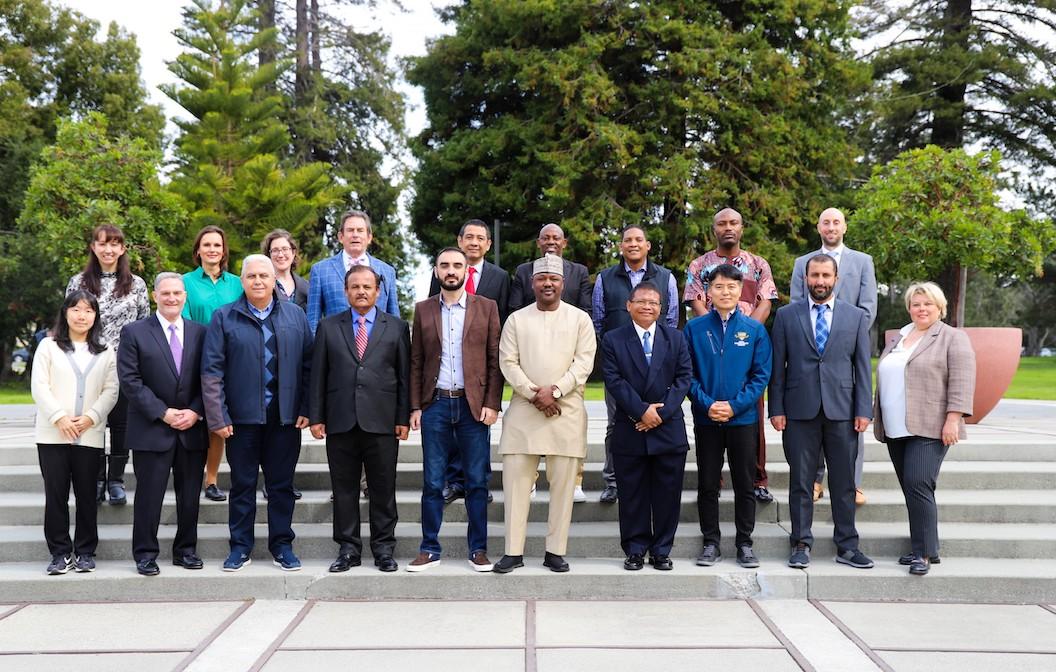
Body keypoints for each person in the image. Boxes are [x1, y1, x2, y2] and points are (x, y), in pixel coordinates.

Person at [201, 255, 313, 572]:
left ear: (274, 278)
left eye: (264, 275)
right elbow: (212, 372)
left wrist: (306, 408)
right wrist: (218, 416)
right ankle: (240, 547)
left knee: (281, 487)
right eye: (251, 276)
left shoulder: (295, 315)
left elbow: (309, 366)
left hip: (284, 419)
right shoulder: (224, 317)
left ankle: (282, 546)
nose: (259, 281)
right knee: (242, 486)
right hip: (240, 421)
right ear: (242, 280)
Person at [493, 255, 596, 574]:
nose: (547, 283)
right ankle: (513, 551)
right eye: (541, 279)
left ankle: (555, 551)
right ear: (532, 283)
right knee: (515, 485)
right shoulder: (516, 320)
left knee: (564, 487)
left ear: (563, 283)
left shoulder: (580, 319)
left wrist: (555, 391)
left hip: (565, 411)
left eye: (553, 278)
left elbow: (584, 364)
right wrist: (534, 392)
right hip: (525, 411)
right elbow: (507, 362)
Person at [769, 254, 873, 570]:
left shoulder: (855, 318)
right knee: (801, 482)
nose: (820, 281)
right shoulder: (787, 316)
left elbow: (863, 368)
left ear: (836, 279)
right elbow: (779, 368)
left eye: (826, 275)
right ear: (806, 278)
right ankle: (801, 543)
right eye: (814, 275)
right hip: (799, 411)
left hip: (843, 411)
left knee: (843, 483)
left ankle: (847, 545)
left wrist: (863, 410)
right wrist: (777, 408)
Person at [309, 264, 410, 573]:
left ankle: (383, 548)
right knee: (344, 489)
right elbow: (318, 375)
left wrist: (402, 417)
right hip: (340, 421)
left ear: (378, 291)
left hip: (382, 421)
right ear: (346, 291)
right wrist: (316, 416)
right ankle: (348, 549)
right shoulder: (328, 326)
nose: (362, 291)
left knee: (383, 487)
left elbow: (404, 376)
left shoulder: (395, 326)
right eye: (355, 286)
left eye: (368, 286)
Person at [408, 248, 502, 572]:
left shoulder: (487, 308)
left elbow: (495, 360)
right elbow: (416, 361)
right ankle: (429, 548)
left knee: (476, 482)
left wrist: (492, 403)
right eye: (445, 265)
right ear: (436, 271)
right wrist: (415, 406)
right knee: (433, 482)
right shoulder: (422, 310)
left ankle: (478, 549)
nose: (451, 270)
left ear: (466, 270)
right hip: (434, 405)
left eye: (457, 265)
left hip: (472, 406)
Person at [874, 282, 975, 576]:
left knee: (919, 483)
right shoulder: (899, 337)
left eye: (928, 304)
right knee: (912, 487)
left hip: (931, 426)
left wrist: (953, 418)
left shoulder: (952, 338)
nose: (922, 309)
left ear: (940, 307)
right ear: (909, 308)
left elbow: (962, 381)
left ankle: (923, 554)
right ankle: (925, 545)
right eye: (916, 304)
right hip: (896, 427)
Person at [684, 208, 779, 503]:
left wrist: (748, 335)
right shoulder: (700, 265)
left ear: (742, 227)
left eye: (733, 222)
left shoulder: (757, 264)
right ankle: (715, 477)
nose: (728, 227)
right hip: (710, 344)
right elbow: (696, 302)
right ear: (714, 229)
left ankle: (757, 478)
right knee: (709, 413)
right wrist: (712, 331)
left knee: (752, 416)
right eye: (722, 223)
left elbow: (766, 302)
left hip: (746, 346)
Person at [118, 273, 208, 576]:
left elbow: (208, 379)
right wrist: (163, 412)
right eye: (166, 293)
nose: (172, 298)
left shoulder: (201, 333)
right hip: (151, 428)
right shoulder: (133, 332)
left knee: (190, 495)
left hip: (192, 428)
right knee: (149, 495)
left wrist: (195, 412)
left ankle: (186, 550)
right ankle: (145, 553)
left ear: (185, 297)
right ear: (155, 296)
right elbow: (130, 381)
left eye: (178, 293)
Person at [684, 265, 772, 568]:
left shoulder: (754, 330)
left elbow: (761, 376)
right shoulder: (694, 329)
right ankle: (710, 542)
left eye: (731, 287)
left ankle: (744, 543)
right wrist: (707, 404)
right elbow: (687, 375)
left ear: (740, 291)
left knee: (745, 483)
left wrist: (735, 406)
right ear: (708, 292)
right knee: (708, 482)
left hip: (742, 420)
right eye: (719, 287)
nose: (725, 292)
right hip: (707, 419)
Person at [600, 282, 691, 571]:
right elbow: (613, 381)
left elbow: (683, 378)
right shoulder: (613, 339)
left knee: (667, 495)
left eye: (654, 302)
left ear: (661, 309)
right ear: (628, 305)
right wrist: (640, 411)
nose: (648, 306)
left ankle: (662, 550)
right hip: (631, 427)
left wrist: (659, 414)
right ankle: (635, 549)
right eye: (641, 301)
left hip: (668, 428)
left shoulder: (675, 338)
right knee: (633, 496)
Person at [790, 207, 878, 506]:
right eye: (825, 222)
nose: (831, 226)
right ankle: (815, 480)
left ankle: (852, 483)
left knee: (850, 414)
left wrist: (845, 337)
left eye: (836, 222)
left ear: (844, 227)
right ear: (818, 227)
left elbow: (867, 308)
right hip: (811, 351)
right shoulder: (803, 263)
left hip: (846, 351)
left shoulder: (863, 262)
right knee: (814, 412)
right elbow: (798, 306)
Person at [31, 291, 118, 575]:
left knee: (87, 495)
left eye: (88, 311)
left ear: (95, 316)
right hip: (52, 435)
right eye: (76, 309)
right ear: (66, 312)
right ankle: (59, 553)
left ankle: (84, 552)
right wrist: (59, 418)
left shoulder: (105, 351)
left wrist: (90, 418)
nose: (82, 316)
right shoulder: (48, 346)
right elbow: (40, 386)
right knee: (55, 495)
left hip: (89, 436)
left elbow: (111, 390)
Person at [593, 225, 679, 505]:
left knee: (655, 418)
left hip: (658, 367)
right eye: (627, 240)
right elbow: (598, 320)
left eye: (638, 239)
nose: (633, 244)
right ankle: (613, 481)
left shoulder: (665, 278)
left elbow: (671, 320)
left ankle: (651, 475)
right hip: (619, 366)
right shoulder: (605, 278)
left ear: (648, 245)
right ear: (621, 246)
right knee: (614, 424)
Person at [426, 219, 510, 506]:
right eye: (469, 237)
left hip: (480, 365)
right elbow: (431, 313)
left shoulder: (499, 277)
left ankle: (478, 483)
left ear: (488, 244)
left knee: (478, 429)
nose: (474, 242)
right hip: (448, 365)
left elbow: (504, 319)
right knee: (449, 432)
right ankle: (454, 481)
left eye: (480, 238)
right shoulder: (442, 273)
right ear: (460, 241)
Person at [66, 224, 149, 505]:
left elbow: (144, 325)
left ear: (123, 248)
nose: (108, 249)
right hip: (88, 364)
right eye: (102, 243)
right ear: (93, 247)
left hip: (125, 364)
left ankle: (116, 480)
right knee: (94, 422)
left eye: (114, 244)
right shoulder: (78, 282)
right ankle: (97, 478)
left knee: (121, 425)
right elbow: (69, 322)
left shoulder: (136, 284)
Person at [182, 225, 244, 503]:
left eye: (217, 245)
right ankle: (188, 475)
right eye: (206, 245)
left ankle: (211, 479)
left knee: (217, 421)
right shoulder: (185, 282)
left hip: (231, 362)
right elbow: (182, 322)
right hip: (195, 358)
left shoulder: (237, 283)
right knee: (195, 419)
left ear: (224, 251)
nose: (212, 250)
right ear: (198, 250)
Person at [306, 209, 399, 333]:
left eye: (360, 230)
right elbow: (312, 321)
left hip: (378, 349)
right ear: (340, 237)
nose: (355, 235)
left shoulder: (387, 271)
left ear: (369, 237)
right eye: (350, 230)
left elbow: (394, 319)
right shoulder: (320, 271)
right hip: (335, 349)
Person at [508, 223, 592, 312]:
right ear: (538, 243)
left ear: (564, 243)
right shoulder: (523, 271)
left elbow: (585, 310)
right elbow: (515, 308)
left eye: (556, 238)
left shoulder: (579, 272)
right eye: (545, 238)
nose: (551, 242)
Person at [262, 229, 310, 310]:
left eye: (285, 249)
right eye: (275, 250)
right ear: (269, 255)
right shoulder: (262, 285)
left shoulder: (307, 287)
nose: (280, 255)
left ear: (293, 252)